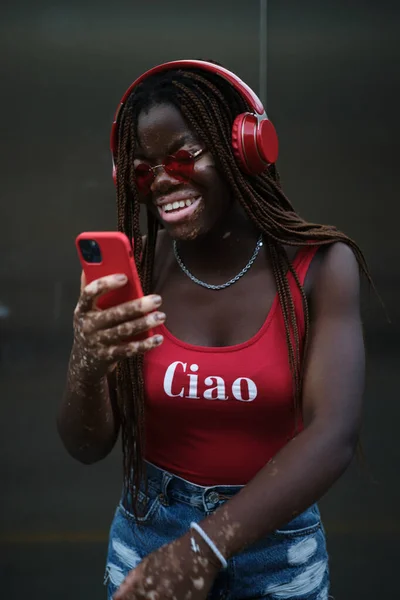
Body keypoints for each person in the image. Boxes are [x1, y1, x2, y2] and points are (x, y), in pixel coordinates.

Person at [57, 59, 368, 600]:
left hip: (276, 545)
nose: (161, 181)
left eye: (182, 156)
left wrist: (204, 546)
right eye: (142, 169)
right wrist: (87, 361)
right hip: (149, 535)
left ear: (244, 147)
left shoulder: (320, 265)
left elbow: (333, 435)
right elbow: (86, 446)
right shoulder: (138, 271)